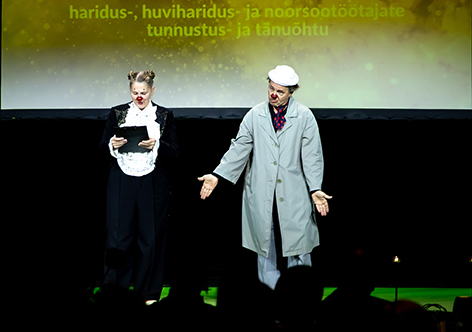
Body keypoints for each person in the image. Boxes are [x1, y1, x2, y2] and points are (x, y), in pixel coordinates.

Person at [198, 65, 331, 289]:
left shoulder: (304, 116)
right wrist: (218, 174)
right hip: (261, 190)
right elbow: (240, 147)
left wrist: (315, 188)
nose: (273, 94)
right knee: (264, 245)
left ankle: (301, 295)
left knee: (299, 245)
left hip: (294, 191)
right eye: (271, 88)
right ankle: (269, 296)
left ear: (291, 92)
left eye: (280, 91)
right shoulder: (255, 114)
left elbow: (312, 156)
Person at [100, 70, 179, 304]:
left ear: (152, 91)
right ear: (130, 91)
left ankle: (148, 295)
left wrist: (156, 145)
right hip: (122, 180)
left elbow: (175, 151)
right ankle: (115, 293)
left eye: (143, 92)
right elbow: (101, 146)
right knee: (118, 238)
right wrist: (112, 144)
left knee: (150, 239)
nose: (139, 97)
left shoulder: (164, 115)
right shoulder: (117, 113)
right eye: (135, 92)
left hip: (152, 182)